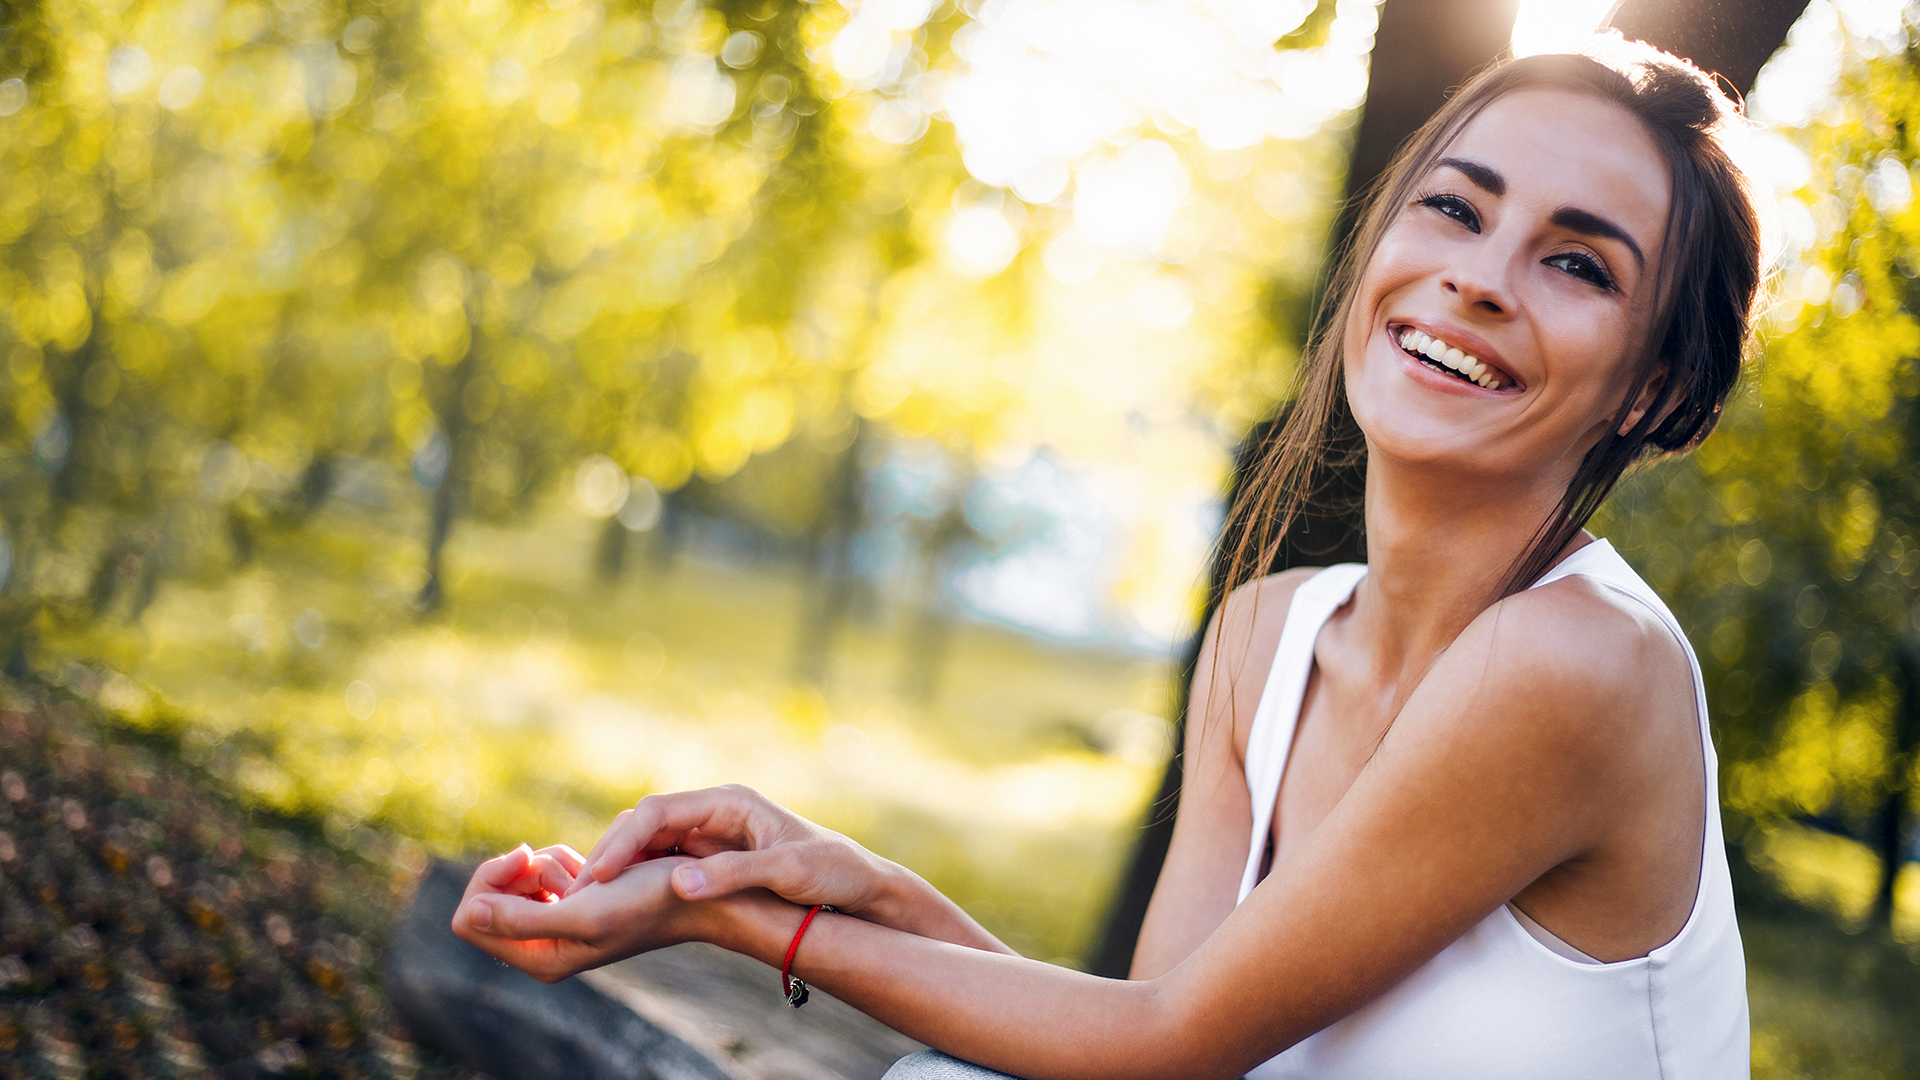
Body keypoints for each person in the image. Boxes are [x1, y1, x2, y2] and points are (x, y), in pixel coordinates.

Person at [449, 35, 1762, 1080]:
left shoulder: (1579, 662)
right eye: (1455, 210)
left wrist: (726, 918)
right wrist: (856, 888)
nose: (1479, 278)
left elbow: (1165, 1053)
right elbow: (1146, 1030)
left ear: (1652, 389)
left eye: (1577, 263)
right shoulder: (1269, 632)